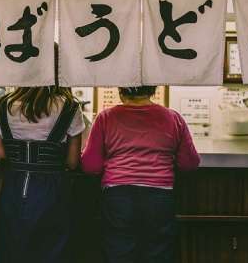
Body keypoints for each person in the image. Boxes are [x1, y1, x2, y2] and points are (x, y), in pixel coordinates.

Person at [81, 86, 200, 263]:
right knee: (158, 253)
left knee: (119, 253)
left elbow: (91, 166)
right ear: (153, 89)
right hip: (160, 195)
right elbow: (189, 163)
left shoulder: (106, 117)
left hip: (118, 196)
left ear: (121, 90)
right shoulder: (173, 118)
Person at [0, 86, 85, 263]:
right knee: (51, 250)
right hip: (52, 189)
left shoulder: (2, 105)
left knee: (11, 249)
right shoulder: (70, 107)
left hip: (13, 187)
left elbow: (0, 156)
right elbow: (73, 162)